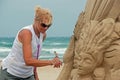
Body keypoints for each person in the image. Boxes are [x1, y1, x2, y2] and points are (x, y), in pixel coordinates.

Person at [0, 6, 62, 80]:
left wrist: (35, 75)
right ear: (35, 20)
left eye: (49, 26)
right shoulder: (26, 33)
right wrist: (51, 62)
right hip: (11, 73)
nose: (46, 28)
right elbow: (28, 61)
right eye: (43, 25)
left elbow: (35, 56)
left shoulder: (43, 35)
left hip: (28, 74)